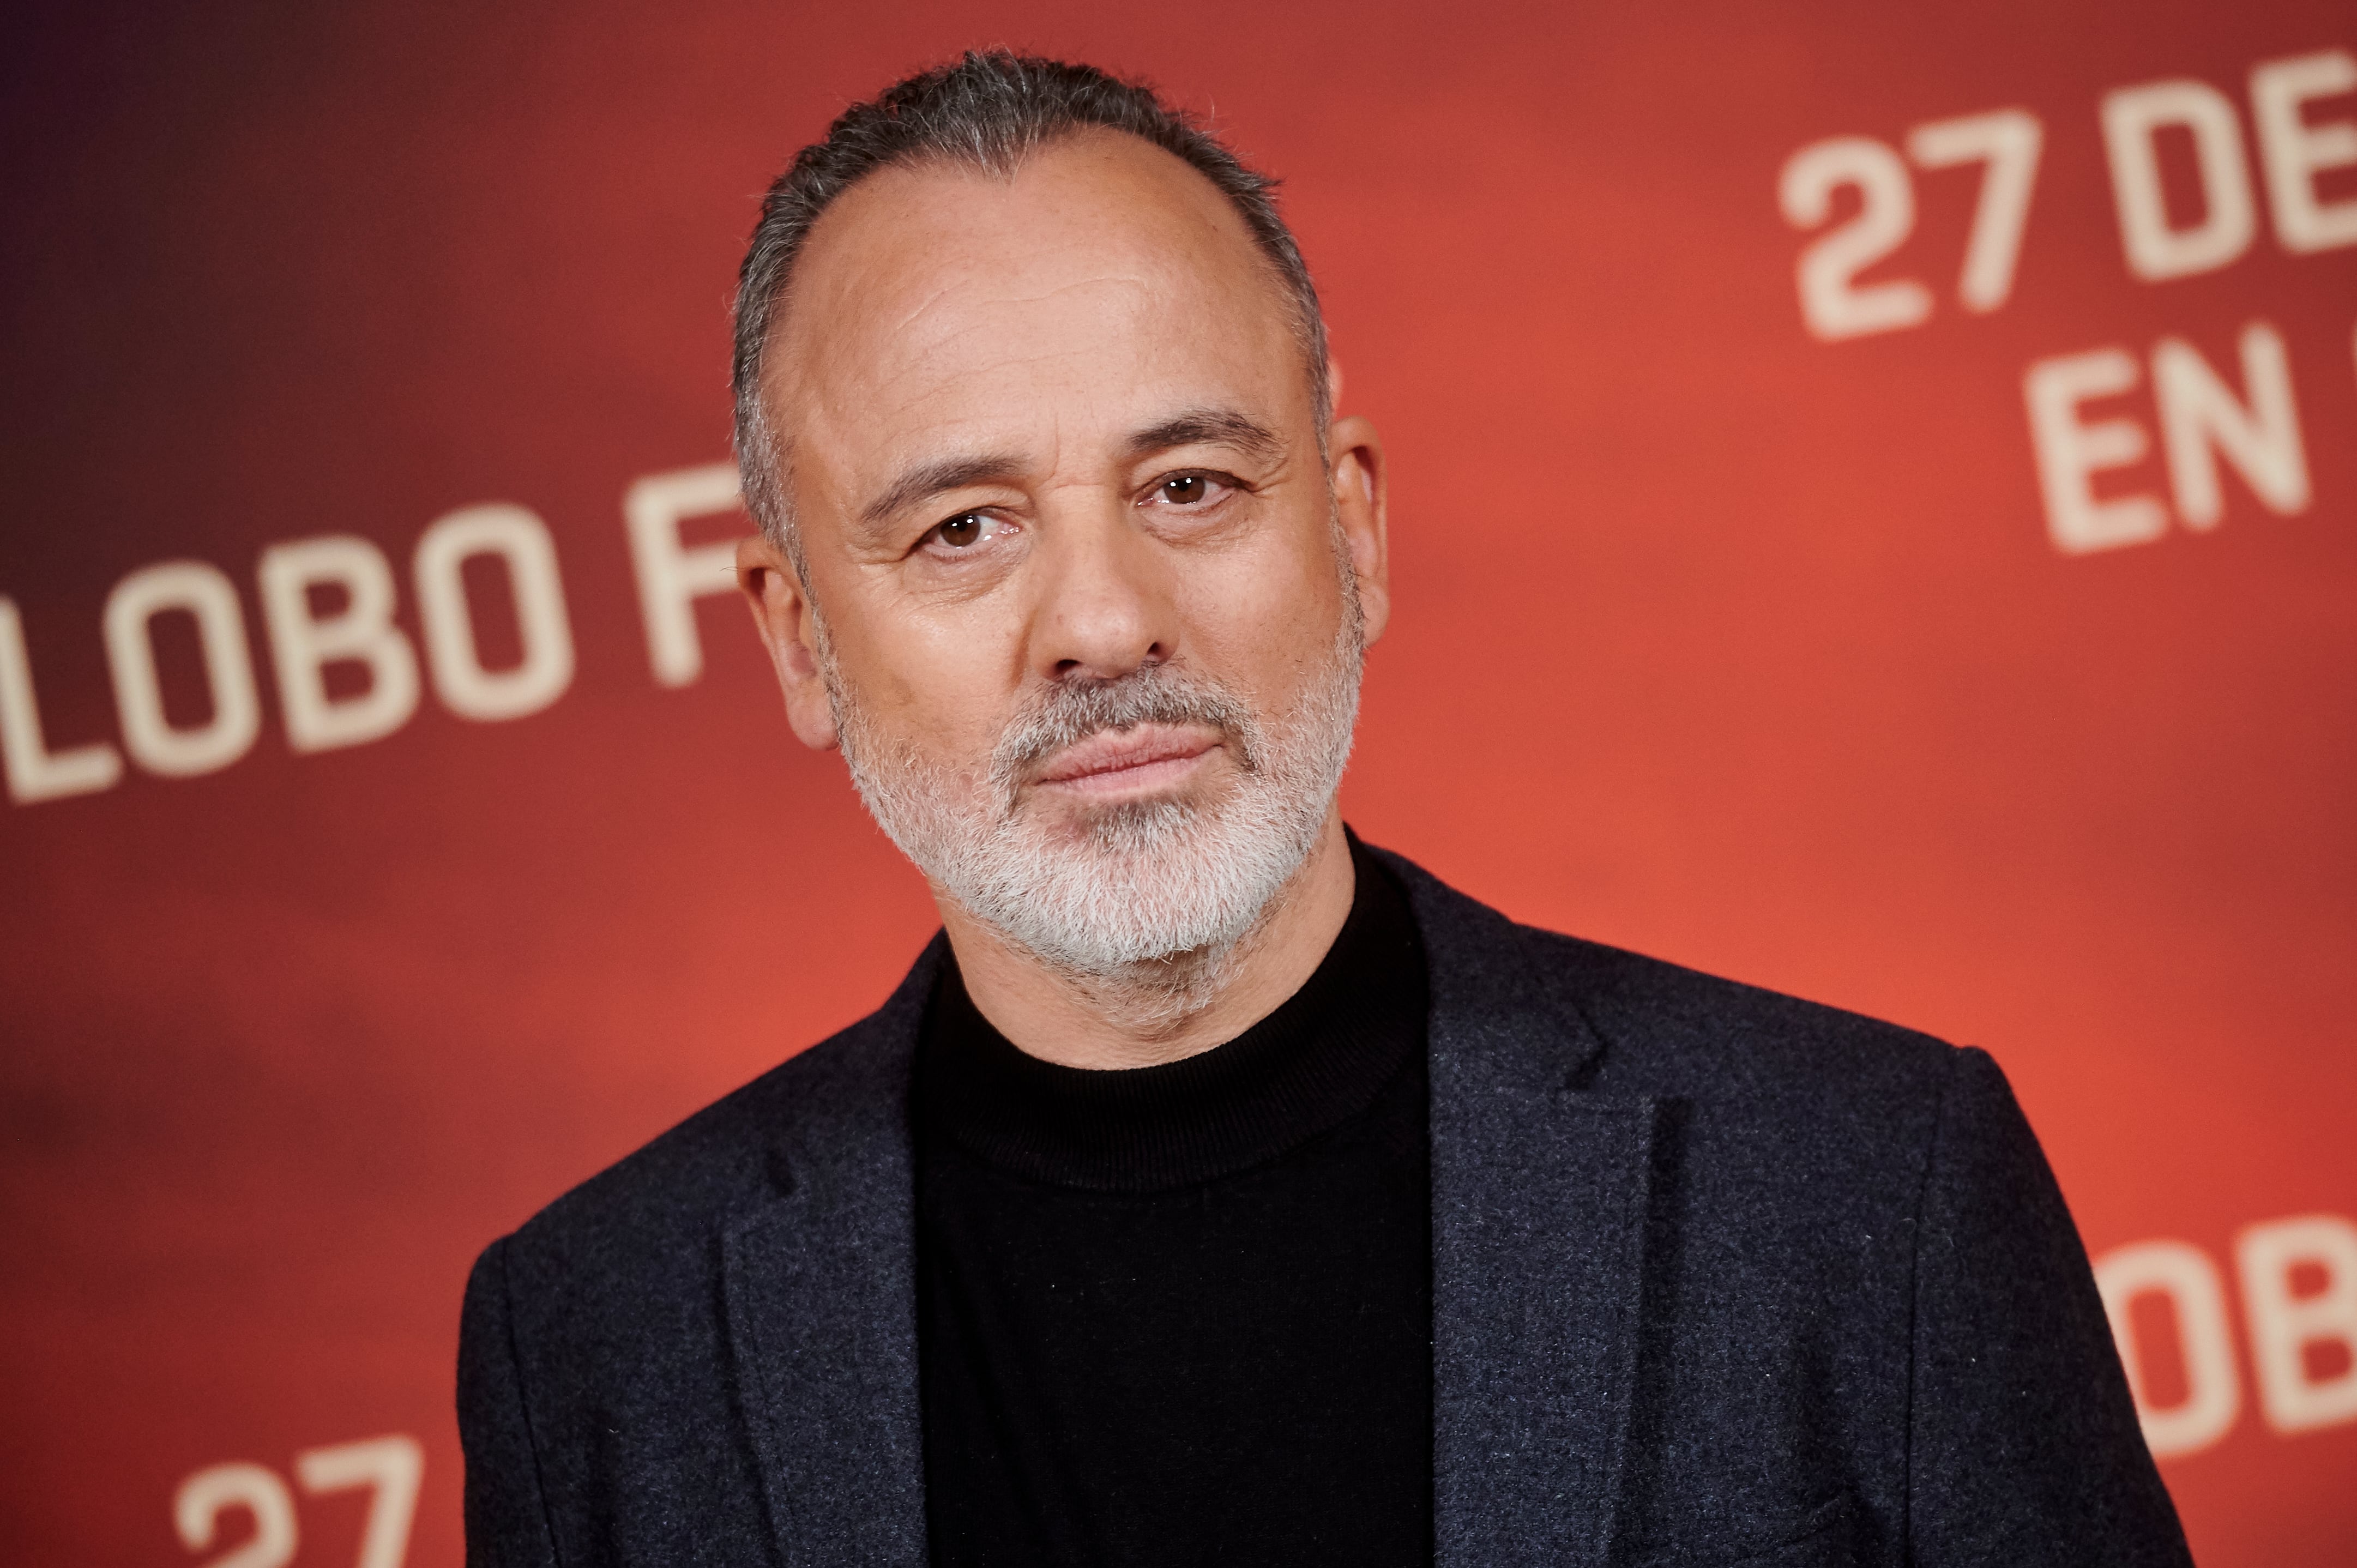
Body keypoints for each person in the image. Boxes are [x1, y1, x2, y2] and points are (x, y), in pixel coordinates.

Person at [456, 51, 2191, 1568]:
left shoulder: (1866, 1186)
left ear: (1351, 534)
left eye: (1190, 483)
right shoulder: (596, 1346)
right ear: (800, 640)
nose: (1101, 621)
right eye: (960, 528)